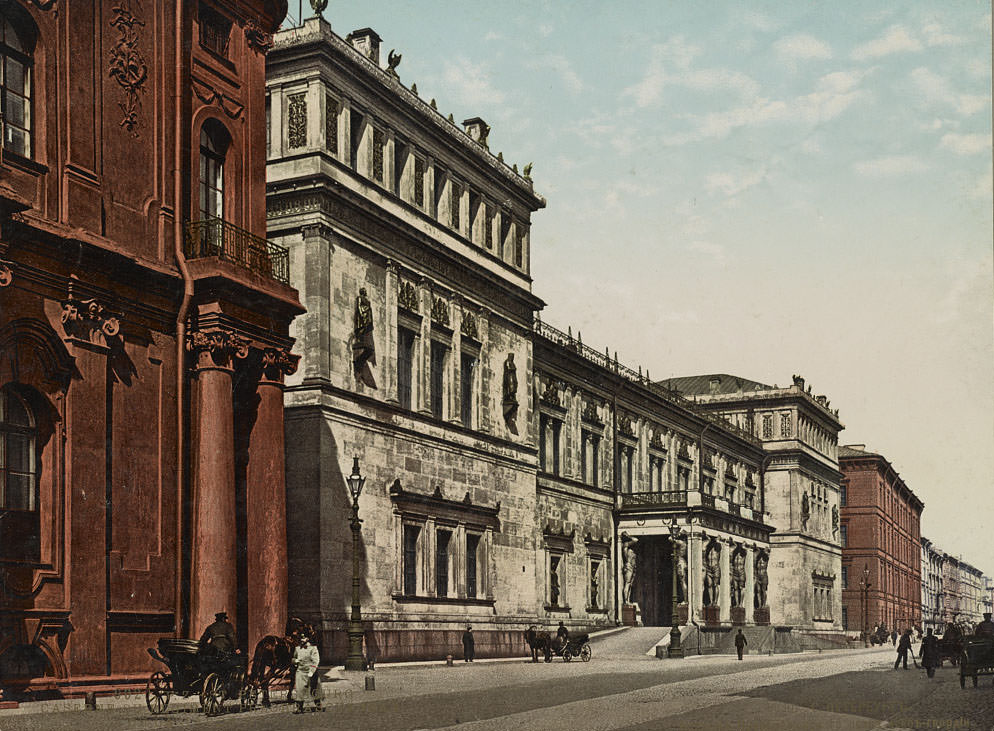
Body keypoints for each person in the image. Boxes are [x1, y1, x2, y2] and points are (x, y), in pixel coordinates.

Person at [292, 633, 322, 713]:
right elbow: (293, 658)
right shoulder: (297, 648)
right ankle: (299, 707)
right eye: (301, 638)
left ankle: (318, 705)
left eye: (303, 638)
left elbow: (316, 661)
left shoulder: (313, 649)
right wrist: (295, 661)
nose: (301, 640)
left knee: (314, 688)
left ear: (308, 639)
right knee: (299, 689)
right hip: (300, 671)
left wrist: (312, 671)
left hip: (310, 671)